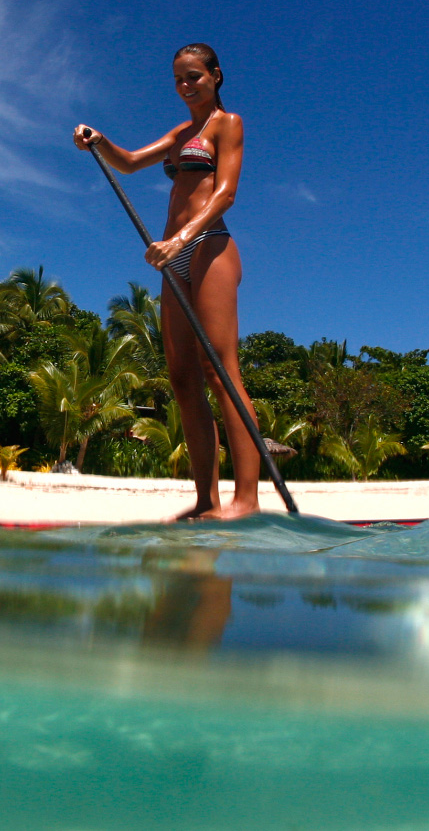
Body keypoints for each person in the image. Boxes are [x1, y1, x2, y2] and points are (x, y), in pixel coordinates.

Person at [74, 43, 260, 520]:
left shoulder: (227, 124)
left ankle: (246, 501)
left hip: (209, 244)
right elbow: (131, 161)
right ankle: (205, 500)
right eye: (178, 79)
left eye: (194, 76)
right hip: (172, 256)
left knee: (220, 370)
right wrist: (99, 140)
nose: (185, 85)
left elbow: (225, 194)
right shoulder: (181, 133)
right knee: (181, 378)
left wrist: (180, 238)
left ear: (216, 75)